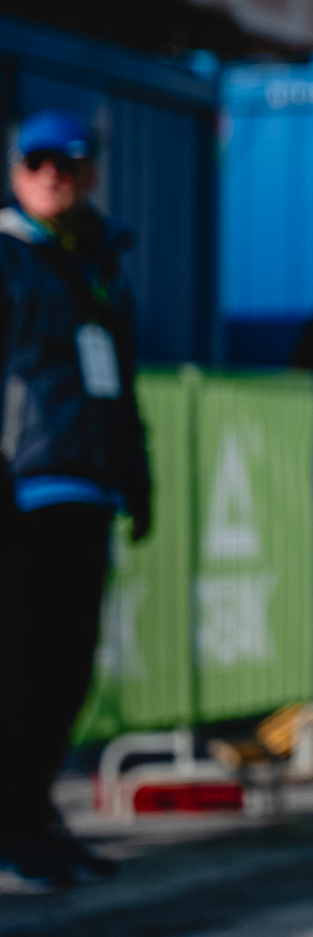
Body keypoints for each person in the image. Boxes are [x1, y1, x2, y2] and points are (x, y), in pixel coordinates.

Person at [0, 110, 150, 893]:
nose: (51, 175)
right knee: (18, 669)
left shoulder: (99, 263)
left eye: (67, 162)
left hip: (87, 489)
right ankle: (12, 828)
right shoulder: (8, 256)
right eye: (37, 162)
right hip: (20, 496)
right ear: (16, 170)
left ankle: (33, 815)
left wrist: (138, 474)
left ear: (90, 172)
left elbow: (119, 384)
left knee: (66, 671)